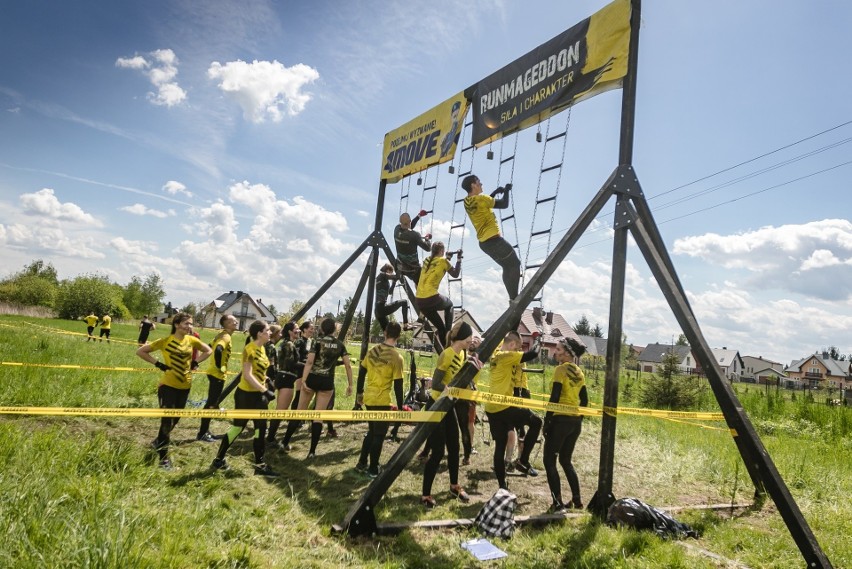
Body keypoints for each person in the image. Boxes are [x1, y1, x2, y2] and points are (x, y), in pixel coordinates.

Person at [136, 312, 212, 469]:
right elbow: (141, 351)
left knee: (175, 419)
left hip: (185, 386)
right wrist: (158, 364)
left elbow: (208, 350)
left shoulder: (192, 340)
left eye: (191, 324)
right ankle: (163, 458)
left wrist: (196, 362)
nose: (189, 326)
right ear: (177, 325)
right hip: (168, 387)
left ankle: (159, 441)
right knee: (167, 421)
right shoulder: (165, 341)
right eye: (186, 323)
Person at [211, 320, 278, 476]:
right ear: (260, 333)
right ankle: (218, 459)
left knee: (261, 428)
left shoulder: (262, 348)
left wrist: (267, 380)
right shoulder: (249, 349)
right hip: (246, 395)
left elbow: (258, 371)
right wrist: (264, 390)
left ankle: (260, 464)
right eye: (267, 330)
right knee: (238, 427)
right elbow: (247, 375)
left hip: (259, 395)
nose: (270, 332)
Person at [420, 320, 475, 508]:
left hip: (448, 406)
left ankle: (454, 486)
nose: (471, 341)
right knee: (437, 452)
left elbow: (455, 379)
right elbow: (435, 384)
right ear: (463, 337)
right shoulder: (447, 354)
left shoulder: (461, 355)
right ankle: (426, 495)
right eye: (470, 338)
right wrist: (452, 391)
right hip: (436, 405)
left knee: (454, 447)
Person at [279, 317, 353, 458]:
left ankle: (284, 442)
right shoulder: (340, 344)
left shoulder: (316, 342)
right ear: (335, 329)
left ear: (322, 329)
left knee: (299, 412)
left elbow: (310, 362)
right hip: (327, 382)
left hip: (312, 379)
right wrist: (350, 384)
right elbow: (348, 366)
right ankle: (312, 452)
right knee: (318, 417)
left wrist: (304, 380)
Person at [485, 330, 543, 490]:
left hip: (492, 407)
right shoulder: (506, 355)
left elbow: (511, 330)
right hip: (504, 406)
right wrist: (538, 340)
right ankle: (523, 460)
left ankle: (502, 486)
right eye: (517, 348)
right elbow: (532, 354)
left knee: (500, 446)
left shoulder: (496, 354)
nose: (518, 351)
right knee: (537, 422)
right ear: (511, 345)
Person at [543, 337, 588, 513]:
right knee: (565, 460)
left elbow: (554, 397)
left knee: (549, 461)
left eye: (559, 349)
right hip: (574, 422)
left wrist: (547, 421)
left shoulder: (560, 370)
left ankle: (558, 503)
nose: (555, 352)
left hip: (560, 420)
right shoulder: (579, 372)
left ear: (568, 353)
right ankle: (577, 500)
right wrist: (578, 419)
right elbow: (584, 400)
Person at [355, 321, 404, 478]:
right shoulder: (397, 357)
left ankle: (361, 463)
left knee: (372, 431)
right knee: (379, 435)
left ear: (385, 333)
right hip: (382, 401)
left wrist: (359, 393)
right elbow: (398, 385)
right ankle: (373, 469)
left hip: (369, 399)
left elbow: (362, 371)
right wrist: (401, 407)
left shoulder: (372, 350)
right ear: (398, 336)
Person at [461, 174, 521, 300]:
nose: (481, 184)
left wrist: (494, 192)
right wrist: (507, 190)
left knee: (507, 266)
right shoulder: (482, 199)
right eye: (479, 182)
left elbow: (484, 204)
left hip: (484, 244)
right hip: (494, 241)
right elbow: (504, 204)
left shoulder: (467, 202)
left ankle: (512, 298)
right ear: (473, 185)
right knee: (515, 264)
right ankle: (514, 298)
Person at [197, 314, 238, 443]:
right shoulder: (225, 337)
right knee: (211, 404)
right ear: (226, 323)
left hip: (213, 373)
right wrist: (220, 367)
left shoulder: (221, 335)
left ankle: (205, 431)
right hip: (217, 374)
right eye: (233, 321)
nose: (236, 322)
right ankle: (202, 433)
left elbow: (209, 346)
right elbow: (218, 350)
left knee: (212, 403)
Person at [414, 241, 461, 353]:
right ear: (441, 251)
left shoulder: (426, 261)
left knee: (440, 328)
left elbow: (438, 269)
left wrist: (448, 258)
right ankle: (449, 330)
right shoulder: (443, 261)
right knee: (449, 304)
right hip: (431, 297)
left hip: (420, 301)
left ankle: (447, 350)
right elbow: (455, 274)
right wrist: (459, 259)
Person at [266, 321, 301, 447]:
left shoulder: (285, 343)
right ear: (290, 331)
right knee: (281, 411)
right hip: (286, 378)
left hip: (283, 376)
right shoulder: (289, 344)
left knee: (280, 410)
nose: (299, 331)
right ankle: (270, 439)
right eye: (296, 329)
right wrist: (309, 366)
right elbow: (291, 363)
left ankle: (270, 436)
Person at [394, 211, 431, 288]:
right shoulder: (415, 235)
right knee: (422, 284)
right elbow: (428, 248)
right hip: (413, 270)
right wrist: (427, 239)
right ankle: (419, 299)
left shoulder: (396, 230)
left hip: (400, 266)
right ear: (410, 221)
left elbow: (407, 228)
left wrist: (418, 216)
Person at [375, 263, 412, 331]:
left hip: (378, 310)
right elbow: (396, 276)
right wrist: (400, 268)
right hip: (382, 308)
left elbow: (390, 292)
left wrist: (394, 282)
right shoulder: (382, 275)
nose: (391, 274)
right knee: (404, 302)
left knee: (388, 332)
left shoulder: (380, 278)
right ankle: (406, 325)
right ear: (387, 271)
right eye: (390, 272)